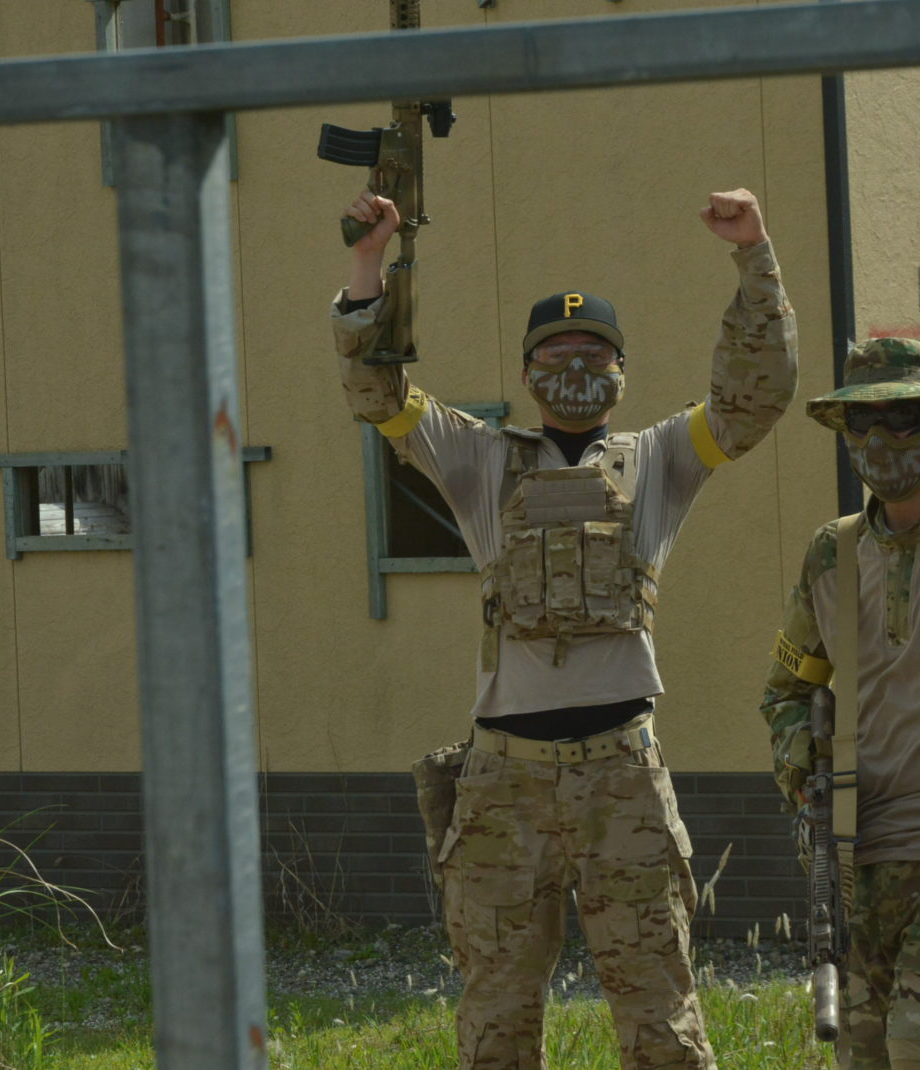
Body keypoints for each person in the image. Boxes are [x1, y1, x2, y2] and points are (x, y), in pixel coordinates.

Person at [331, 187, 797, 1069]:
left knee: (660, 1016)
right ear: (527, 372)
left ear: (622, 370)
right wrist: (367, 263)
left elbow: (756, 397)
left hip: (621, 773)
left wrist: (754, 255)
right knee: (496, 1018)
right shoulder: (478, 458)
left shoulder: (662, 457)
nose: (574, 362)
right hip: (503, 782)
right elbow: (375, 391)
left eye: (593, 350)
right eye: (555, 350)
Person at [759, 337, 920, 1070]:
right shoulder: (832, 552)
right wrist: (802, 772)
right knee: (867, 1056)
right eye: (862, 422)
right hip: (858, 855)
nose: (880, 442)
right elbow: (788, 690)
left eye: (904, 421)